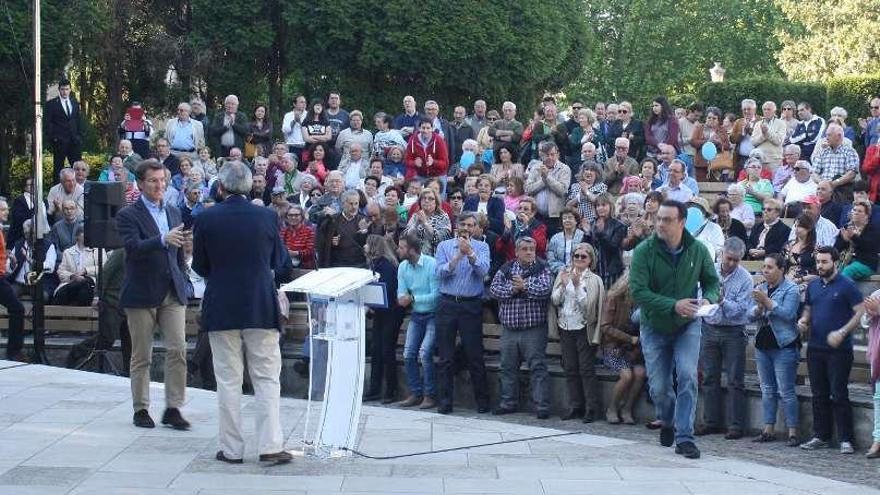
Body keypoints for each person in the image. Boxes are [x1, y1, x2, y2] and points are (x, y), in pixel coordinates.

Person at [192, 160, 293, 465]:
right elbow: (279, 261)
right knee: (266, 378)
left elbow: (199, 266)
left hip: (222, 305)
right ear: (250, 187)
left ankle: (232, 449)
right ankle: (271, 445)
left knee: (228, 379)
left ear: (220, 188)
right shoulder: (266, 217)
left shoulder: (206, 219)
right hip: (259, 304)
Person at [630, 200, 720, 459]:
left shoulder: (699, 250)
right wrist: (673, 305)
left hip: (688, 325)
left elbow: (713, 283)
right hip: (654, 325)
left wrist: (708, 299)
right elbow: (639, 292)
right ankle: (667, 420)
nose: (660, 223)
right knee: (659, 388)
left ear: (681, 222)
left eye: (667, 219)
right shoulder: (644, 251)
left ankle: (684, 437)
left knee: (688, 377)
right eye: (658, 218)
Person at [116, 159, 191, 430]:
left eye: (162, 181)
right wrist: (161, 239)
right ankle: (141, 408)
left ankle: (173, 407)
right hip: (141, 291)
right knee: (142, 355)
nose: (159, 185)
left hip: (171, 290)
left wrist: (182, 278)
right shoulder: (127, 214)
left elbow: (179, 250)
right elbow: (132, 248)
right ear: (140, 183)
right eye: (153, 181)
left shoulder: (173, 211)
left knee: (178, 350)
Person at [798, 246, 863, 455]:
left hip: (839, 350)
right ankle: (821, 435)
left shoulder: (847, 285)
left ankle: (846, 439)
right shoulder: (814, 285)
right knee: (819, 394)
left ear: (835, 262)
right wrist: (803, 321)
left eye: (824, 262)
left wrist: (843, 332)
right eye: (818, 262)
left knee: (839, 393)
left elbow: (860, 312)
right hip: (815, 347)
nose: (820, 266)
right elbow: (808, 309)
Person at [696, 237, 753, 440]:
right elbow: (699, 293)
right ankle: (711, 421)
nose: (731, 263)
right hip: (710, 327)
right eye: (729, 258)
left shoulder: (746, 278)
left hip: (733, 332)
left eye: (736, 260)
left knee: (735, 380)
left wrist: (722, 301)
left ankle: (736, 424)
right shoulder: (708, 270)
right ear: (722, 253)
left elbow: (741, 312)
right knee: (709, 376)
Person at [490, 237, 553, 419]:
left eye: (531, 249)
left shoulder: (543, 267)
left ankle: (541, 405)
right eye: (524, 249)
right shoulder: (507, 268)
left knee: (538, 368)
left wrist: (525, 286)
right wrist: (513, 289)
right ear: (516, 252)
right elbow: (494, 290)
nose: (528, 252)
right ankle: (508, 402)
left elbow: (545, 290)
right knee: (507, 367)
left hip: (533, 329)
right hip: (509, 329)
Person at [434, 212, 491, 414]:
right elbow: (439, 273)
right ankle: (444, 402)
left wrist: (471, 254)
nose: (467, 228)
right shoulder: (444, 246)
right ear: (457, 226)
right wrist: (458, 256)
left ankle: (482, 402)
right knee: (445, 356)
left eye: (471, 225)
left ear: (476, 228)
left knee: (474, 354)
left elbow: (484, 272)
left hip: (471, 305)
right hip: (448, 303)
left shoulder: (483, 247)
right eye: (464, 224)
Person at [750, 253, 801, 447]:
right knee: (767, 389)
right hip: (763, 344)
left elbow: (788, 314)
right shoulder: (761, 287)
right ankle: (768, 429)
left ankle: (793, 431)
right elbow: (750, 315)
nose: (765, 271)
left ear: (781, 269)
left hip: (784, 344)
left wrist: (768, 303)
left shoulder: (792, 289)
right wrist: (757, 310)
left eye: (770, 267)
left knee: (786, 390)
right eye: (764, 267)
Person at [551, 242, 605, 422]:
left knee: (586, 369)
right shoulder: (563, 273)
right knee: (570, 368)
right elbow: (555, 300)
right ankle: (576, 405)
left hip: (583, 328)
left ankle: (592, 408)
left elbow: (589, 307)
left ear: (590, 260)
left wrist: (575, 287)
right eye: (576, 256)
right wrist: (564, 286)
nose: (579, 259)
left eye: (584, 256)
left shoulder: (594, 279)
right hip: (565, 326)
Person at [396, 233, 439, 409]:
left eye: (402, 247)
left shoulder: (431, 264)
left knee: (425, 353)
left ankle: (430, 395)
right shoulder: (403, 267)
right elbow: (401, 293)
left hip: (433, 315)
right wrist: (402, 299)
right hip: (416, 315)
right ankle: (415, 392)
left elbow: (436, 296)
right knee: (408, 354)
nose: (398, 250)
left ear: (412, 250)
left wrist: (412, 298)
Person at [363, 234, 404, 404]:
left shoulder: (386, 265)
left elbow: (385, 290)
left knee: (387, 350)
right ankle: (374, 389)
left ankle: (391, 390)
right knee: (376, 350)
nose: (364, 246)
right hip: (380, 312)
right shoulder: (375, 264)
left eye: (367, 244)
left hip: (391, 312)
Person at [600, 270, 645, 425]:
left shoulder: (642, 300)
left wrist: (634, 344)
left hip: (633, 349)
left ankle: (627, 408)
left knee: (640, 373)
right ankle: (612, 408)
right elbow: (605, 327)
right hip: (613, 347)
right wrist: (629, 339)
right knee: (626, 375)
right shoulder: (614, 298)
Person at [525, 141, 571, 237]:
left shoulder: (564, 169)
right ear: (541, 155)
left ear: (557, 154)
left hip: (555, 216)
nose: (549, 157)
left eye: (552, 154)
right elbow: (528, 189)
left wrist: (547, 177)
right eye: (546, 155)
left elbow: (562, 190)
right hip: (536, 215)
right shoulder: (535, 168)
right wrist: (544, 181)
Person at [584, 193, 626, 287]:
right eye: (598, 205)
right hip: (594, 271)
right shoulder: (592, 223)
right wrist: (587, 233)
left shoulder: (619, 225)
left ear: (611, 206)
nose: (600, 208)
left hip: (611, 272)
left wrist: (600, 233)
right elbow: (586, 247)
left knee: (609, 300)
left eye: (603, 205)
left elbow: (613, 248)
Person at [52, 224, 99, 306]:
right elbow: (61, 271)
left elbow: (104, 268)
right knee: (62, 294)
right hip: (70, 284)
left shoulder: (97, 251)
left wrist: (86, 270)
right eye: (84, 233)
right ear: (77, 236)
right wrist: (72, 276)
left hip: (89, 284)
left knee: (84, 290)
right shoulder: (68, 252)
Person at [835, 199, 880, 280]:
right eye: (854, 210)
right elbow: (836, 248)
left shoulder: (872, 229)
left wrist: (853, 237)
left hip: (865, 263)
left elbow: (869, 247)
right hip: (846, 261)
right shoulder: (846, 227)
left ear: (866, 215)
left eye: (860, 211)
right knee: (833, 272)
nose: (856, 212)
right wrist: (845, 241)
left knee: (848, 271)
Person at [46, 79, 83, 171]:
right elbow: (48, 122)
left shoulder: (74, 103)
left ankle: (77, 185)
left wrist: (79, 136)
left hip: (74, 141)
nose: (65, 92)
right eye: (62, 89)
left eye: (67, 89)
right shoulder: (52, 104)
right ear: (59, 90)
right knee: (58, 168)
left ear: (70, 89)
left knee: (77, 167)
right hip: (59, 141)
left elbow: (77, 120)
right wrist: (53, 138)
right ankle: (57, 185)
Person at [403, 189, 451, 256]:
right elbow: (406, 237)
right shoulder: (415, 216)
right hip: (415, 256)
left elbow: (440, 239)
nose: (426, 201)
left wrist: (425, 223)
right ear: (420, 202)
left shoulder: (443, 217)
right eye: (424, 198)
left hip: (434, 257)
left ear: (436, 202)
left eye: (431, 199)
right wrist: (416, 224)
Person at [404, 117, 449, 183]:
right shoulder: (413, 140)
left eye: (428, 128)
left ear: (432, 128)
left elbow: (445, 163)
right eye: (423, 128)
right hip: (420, 175)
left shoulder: (439, 140)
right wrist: (414, 163)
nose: (425, 131)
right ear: (419, 128)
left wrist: (433, 162)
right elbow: (407, 160)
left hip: (437, 175)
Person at [863, 290, 880, 458]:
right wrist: (870, 313)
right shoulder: (877, 294)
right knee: (878, 399)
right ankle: (877, 440)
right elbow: (864, 321)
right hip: (878, 355)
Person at [546, 208, 586, 275]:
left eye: (570, 218)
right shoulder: (555, 238)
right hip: (560, 273)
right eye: (564, 218)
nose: (567, 220)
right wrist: (563, 269)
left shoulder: (583, 236)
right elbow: (551, 259)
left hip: (580, 273)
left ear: (576, 221)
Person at [750, 101, 787, 171]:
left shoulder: (781, 124)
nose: (766, 111)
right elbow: (753, 142)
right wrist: (763, 136)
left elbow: (778, 141)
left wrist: (767, 133)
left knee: (774, 181)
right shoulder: (758, 124)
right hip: (759, 161)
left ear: (774, 111)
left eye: (769, 109)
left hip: (774, 161)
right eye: (765, 109)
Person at [280, 204, 315, 269]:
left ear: (301, 216)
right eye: (290, 215)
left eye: (296, 215)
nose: (293, 218)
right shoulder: (283, 231)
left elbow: (310, 251)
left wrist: (296, 253)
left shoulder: (309, 231)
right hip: (286, 266)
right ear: (286, 217)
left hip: (305, 267)